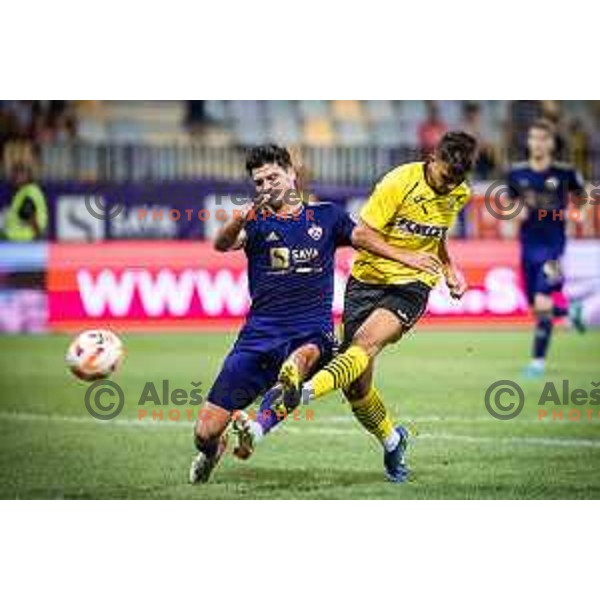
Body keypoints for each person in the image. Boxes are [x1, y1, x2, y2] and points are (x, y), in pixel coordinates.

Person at [245, 132, 478, 483]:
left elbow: (437, 231)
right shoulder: (398, 183)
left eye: (457, 180)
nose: (449, 187)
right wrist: (409, 256)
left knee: (364, 345)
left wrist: (446, 268)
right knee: (356, 388)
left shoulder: (459, 192)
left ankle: (304, 392)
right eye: (446, 177)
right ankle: (392, 439)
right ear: (433, 159)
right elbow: (364, 235)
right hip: (367, 281)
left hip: (411, 286)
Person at [189, 144, 356, 483]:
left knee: (300, 362)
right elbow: (221, 246)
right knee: (204, 433)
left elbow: (365, 238)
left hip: (312, 332)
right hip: (258, 337)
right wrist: (237, 219)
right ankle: (214, 449)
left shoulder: (327, 217)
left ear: (291, 174)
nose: (267, 186)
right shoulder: (256, 222)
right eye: (260, 182)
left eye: (273, 177)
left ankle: (257, 428)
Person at [506, 120, 587, 378]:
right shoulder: (516, 174)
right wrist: (512, 218)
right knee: (536, 305)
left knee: (542, 301)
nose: (538, 143)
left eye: (543, 138)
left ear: (551, 143)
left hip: (554, 249)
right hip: (528, 248)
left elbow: (582, 197)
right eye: (533, 138)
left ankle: (537, 362)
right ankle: (568, 312)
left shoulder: (565, 173)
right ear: (528, 142)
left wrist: (577, 214)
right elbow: (511, 205)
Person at [3, 162, 48, 242]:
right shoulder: (22, 192)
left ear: (27, 175)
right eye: (13, 173)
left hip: (24, 241)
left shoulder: (30, 190)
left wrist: (37, 235)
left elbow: (27, 212)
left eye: (19, 173)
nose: (14, 177)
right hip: (18, 240)